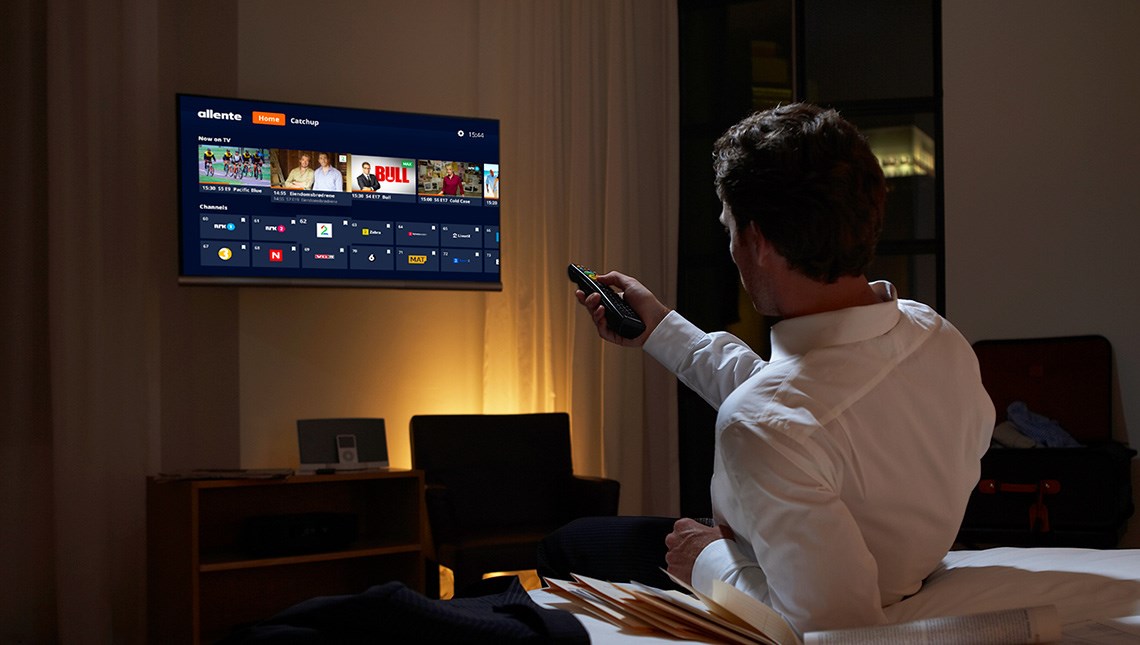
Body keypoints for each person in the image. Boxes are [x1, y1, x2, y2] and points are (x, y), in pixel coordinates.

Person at [540, 103, 995, 634]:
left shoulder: (764, 425)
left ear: (756, 242)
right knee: (579, 538)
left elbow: (833, 628)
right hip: (895, 563)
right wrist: (661, 328)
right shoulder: (935, 335)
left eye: (730, 229)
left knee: (564, 547)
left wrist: (708, 559)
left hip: (777, 576)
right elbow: (802, 405)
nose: (731, 248)